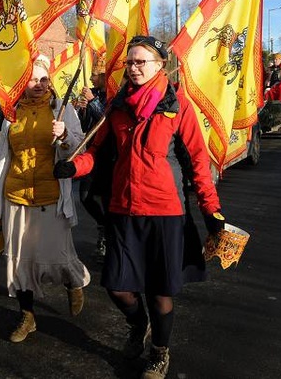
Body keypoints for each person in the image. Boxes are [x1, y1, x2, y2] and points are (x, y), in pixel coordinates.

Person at [53, 36, 225, 379]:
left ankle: (160, 352)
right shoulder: (116, 108)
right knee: (117, 286)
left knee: (160, 292)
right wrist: (75, 168)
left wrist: (212, 211)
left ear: (160, 65)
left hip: (165, 214)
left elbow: (197, 164)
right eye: (129, 62)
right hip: (123, 209)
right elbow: (96, 154)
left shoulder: (178, 107)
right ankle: (138, 323)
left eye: (140, 62)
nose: (132, 68)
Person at [0, 54, 90, 343]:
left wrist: (65, 136)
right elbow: (4, 155)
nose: (38, 84)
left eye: (44, 79)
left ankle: (74, 282)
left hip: (50, 194)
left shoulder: (62, 108)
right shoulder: (12, 112)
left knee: (58, 255)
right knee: (19, 262)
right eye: (32, 78)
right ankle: (27, 315)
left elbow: (79, 147)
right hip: (16, 195)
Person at [74, 53, 111, 258]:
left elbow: (107, 119)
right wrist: (81, 109)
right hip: (91, 152)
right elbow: (85, 125)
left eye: (96, 74)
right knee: (85, 196)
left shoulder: (113, 94)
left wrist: (94, 102)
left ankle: (107, 237)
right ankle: (103, 224)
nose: (91, 78)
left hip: (108, 155)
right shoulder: (93, 93)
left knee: (106, 198)